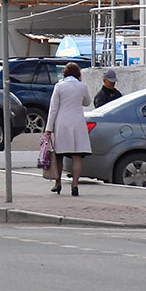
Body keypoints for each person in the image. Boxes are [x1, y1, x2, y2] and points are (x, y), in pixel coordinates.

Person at [45, 61, 92, 196]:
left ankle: (58, 183)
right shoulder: (82, 86)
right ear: (78, 74)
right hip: (78, 123)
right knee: (77, 156)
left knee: (59, 155)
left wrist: (49, 128)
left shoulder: (59, 86)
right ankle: (75, 185)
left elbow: (53, 108)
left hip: (62, 123)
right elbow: (87, 102)